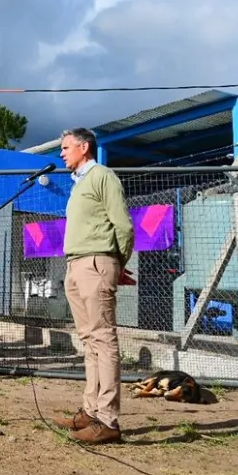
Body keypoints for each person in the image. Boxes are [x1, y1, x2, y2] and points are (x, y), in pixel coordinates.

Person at [51, 128, 134, 444]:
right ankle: (91, 411)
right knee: (89, 340)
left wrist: (117, 263)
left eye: (66, 147)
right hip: (76, 264)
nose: (61, 153)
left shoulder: (102, 176)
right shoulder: (79, 184)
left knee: (103, 338)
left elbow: (123, 225)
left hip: (97, 262)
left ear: (84, 147)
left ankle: (108, 420)